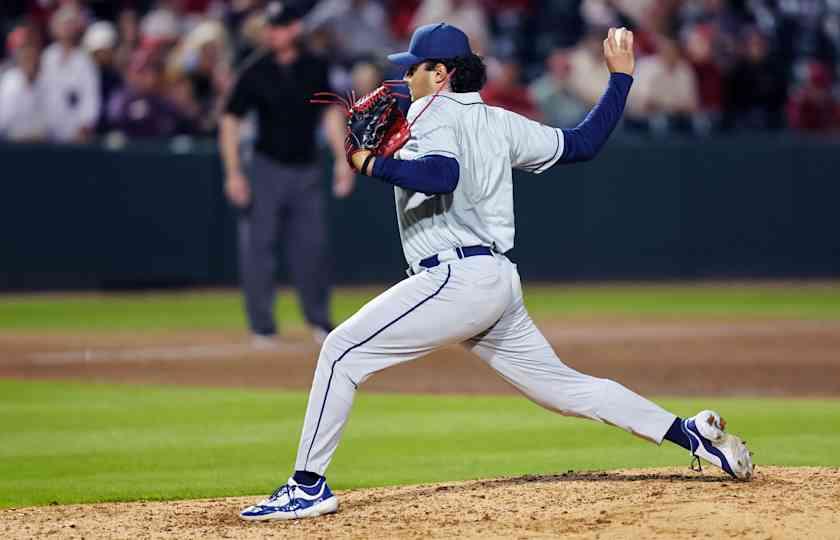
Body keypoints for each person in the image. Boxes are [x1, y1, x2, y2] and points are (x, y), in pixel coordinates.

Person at [239, 23, 753, 522]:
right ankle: (692, 436)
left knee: (341, 351)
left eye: (415, 68)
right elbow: (583, 143)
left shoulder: (432, 110)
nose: (406, 77)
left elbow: (443, 174)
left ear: (440, 73)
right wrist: (620, 79)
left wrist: (373, 164)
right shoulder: (500, 121)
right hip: (496, 283)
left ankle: (306, 488)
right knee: (566, 390)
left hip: (456, 279)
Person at [219, 1, 355, 348]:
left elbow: (330, 115)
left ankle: (319, 321)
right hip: (266, 167)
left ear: (294, 29)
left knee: (312, 247)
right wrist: (233, 172)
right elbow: (230, 119)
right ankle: (262, 327)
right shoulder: (255, 69)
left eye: (279, 26)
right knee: (258, 248)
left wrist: (342, 160)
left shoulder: (314, 67)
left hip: (306, 169)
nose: (272, 32)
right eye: (270, 27)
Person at [40, 5, 100, 143]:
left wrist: (86, 125)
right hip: (47, 132)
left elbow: (91, 96)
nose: (66, 28)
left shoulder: (85, 60)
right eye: (63, 24)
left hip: (75, 133)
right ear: (54, 28)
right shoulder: (46, 57)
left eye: (70, 24)